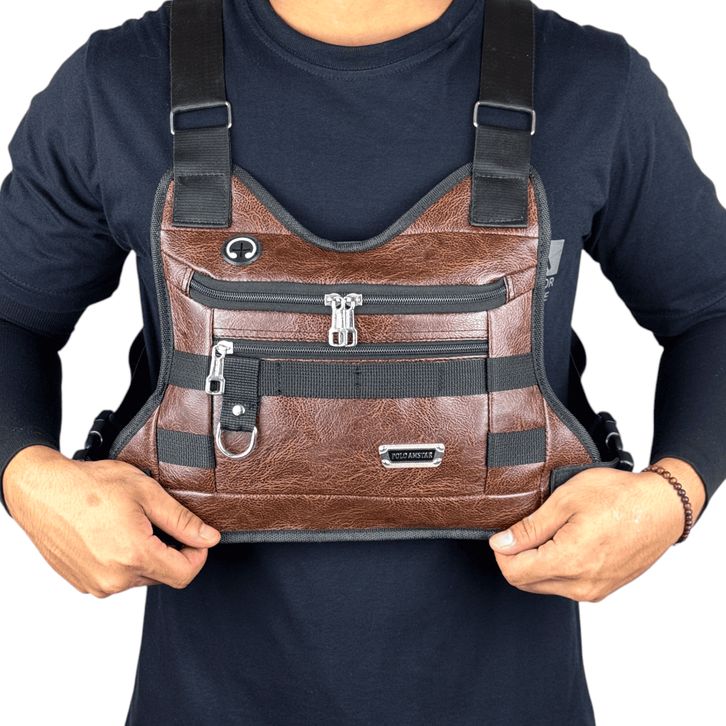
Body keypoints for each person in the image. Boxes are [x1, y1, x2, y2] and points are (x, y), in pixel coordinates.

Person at [1, 0, 724, 723]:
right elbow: (13, 313)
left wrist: (672, 497)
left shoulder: (592, 84)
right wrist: (28, 478)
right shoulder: (121, 82)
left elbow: (710, 311)